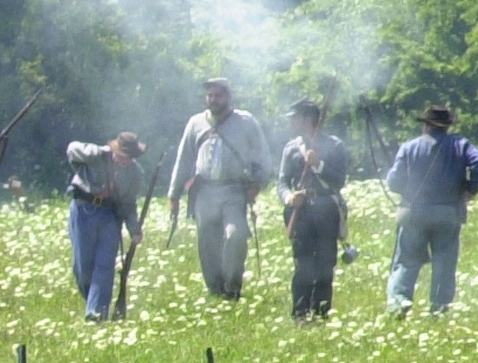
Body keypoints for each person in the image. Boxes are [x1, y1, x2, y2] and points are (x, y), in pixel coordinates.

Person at [167, 77, 272, 300]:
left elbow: (262, 155)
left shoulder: (246, 121)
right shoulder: (195, 123)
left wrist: (258, 183)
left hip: (234, 191)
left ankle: (233, 288)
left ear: (228, 96)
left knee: (236, 236)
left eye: (218, 95)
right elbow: (184, 160)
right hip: (204, 192)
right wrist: (174, 195)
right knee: (207, 244)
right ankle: (215, 290)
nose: (213, 100)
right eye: (210, 96)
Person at [384, 105, 478, 316]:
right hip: (448, 213)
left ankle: (399, 305)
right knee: (444, 264)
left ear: (425, 125)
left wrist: (408, 188)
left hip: (414, 213)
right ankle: (439, 310)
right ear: (447, 126)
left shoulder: (409, 147)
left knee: (407, 262)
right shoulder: (460, 145)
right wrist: (470, 190)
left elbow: (394, 182)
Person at [279, 99, 350, 320]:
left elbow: (339, 180)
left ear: (308, 119)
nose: (291, 122)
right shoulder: (291, 148)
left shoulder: (334, 145)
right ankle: (300, 313)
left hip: (326, 210)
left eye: (296, 117)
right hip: (301, 213)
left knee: (326, 263)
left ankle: (321, 311)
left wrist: (319, 165)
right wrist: (289, 197)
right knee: (302, 264)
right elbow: (281, 182)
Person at [64, 134, 146, 321]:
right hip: (84, 210)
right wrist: (94, 151)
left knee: (105, 266)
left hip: (110, 216)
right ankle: (93, 302)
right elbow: (72, 149)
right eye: (122, 155)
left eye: (129, 157)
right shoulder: (97, 155)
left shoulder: (135, 173)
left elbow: (129, 203)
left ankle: (96, 313)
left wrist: (134, 229)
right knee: (82, 266)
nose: (125, 160)